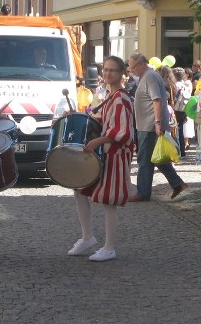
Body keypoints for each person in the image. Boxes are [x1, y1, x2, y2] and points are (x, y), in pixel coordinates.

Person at [68, 56, 135, 262]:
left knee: (108, 201)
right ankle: (87, 237)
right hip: (105, 153)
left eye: (112, 70)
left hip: (115, 155)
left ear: (122, 73)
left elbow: (125, 133)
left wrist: (100, 140)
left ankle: (109, 247)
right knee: (79, 189)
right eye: (105, 70)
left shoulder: (122, 99)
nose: (107, 74)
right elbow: (106, 121)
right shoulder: (112, 95)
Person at [127, 53, 187, 202]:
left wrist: (157, 122)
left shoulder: (150, 76)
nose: (131, 71)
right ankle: (177, 183)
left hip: (150, 125)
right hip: (147, 124)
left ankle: (143, 192)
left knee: (144, 160)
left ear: (142, 64)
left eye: (133, 67)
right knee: (156, 158)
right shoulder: (147, 76)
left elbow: (157, 100)